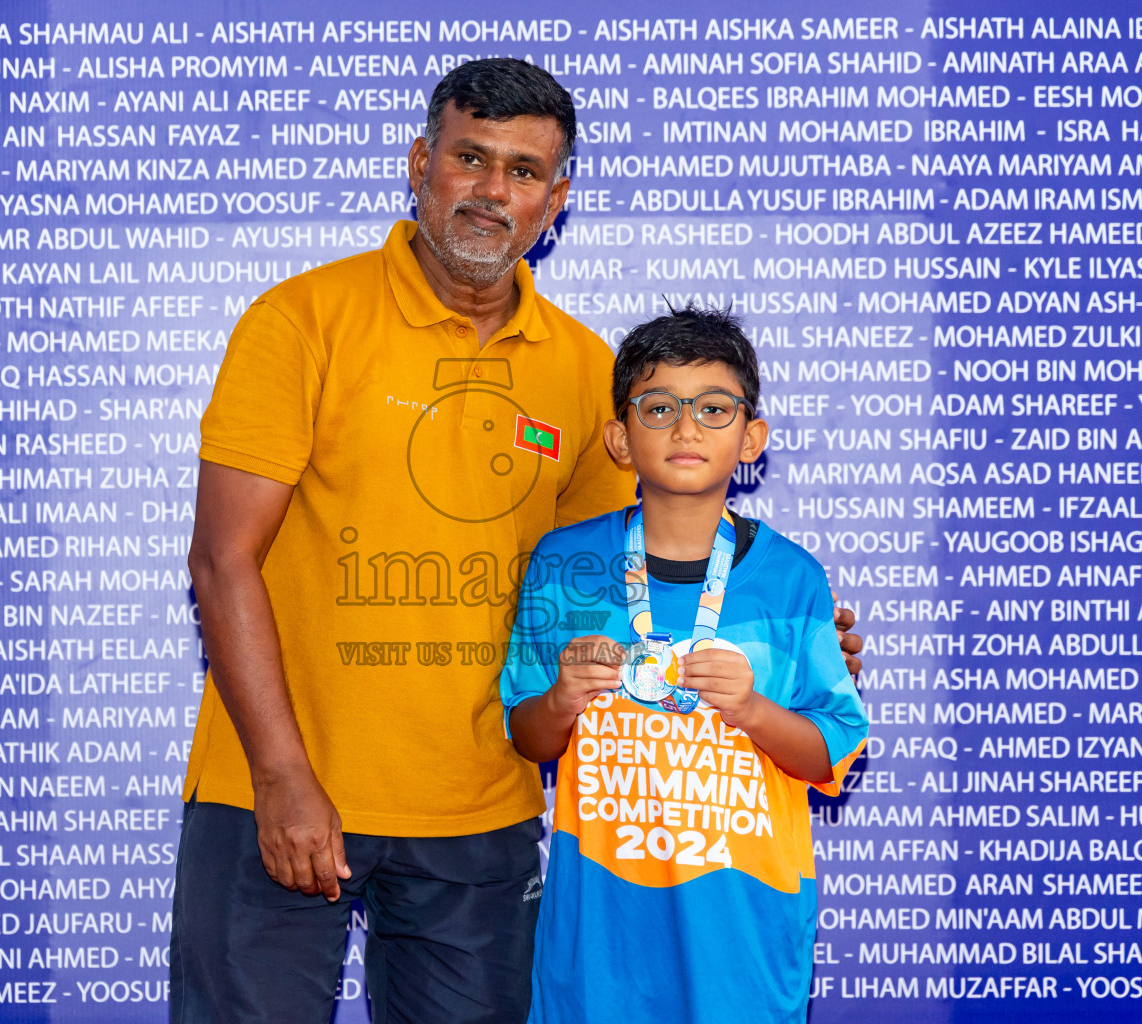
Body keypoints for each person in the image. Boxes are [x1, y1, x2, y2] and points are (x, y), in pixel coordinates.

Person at [175, 59, 863, 1023]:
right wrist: (284, 777)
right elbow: (220, 560)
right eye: (470, 158)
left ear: (557, 198)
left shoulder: (588, 373)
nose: (493, 192)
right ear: (421, 165)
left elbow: (612, 576)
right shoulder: (302, 320)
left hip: (481, 816)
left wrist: (782, 630)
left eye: (525, 171)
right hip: (278, 795)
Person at [501, 306, 869, 1024]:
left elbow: (833, 747)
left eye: (713, 408)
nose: (686, 427)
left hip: (740, 934)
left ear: (752, 437)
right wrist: (559, 700)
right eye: (659, 406)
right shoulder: (563, 565)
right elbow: (527, 735)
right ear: (619, 437)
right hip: (601, 932)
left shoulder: (793, 578)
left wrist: (755, 711)